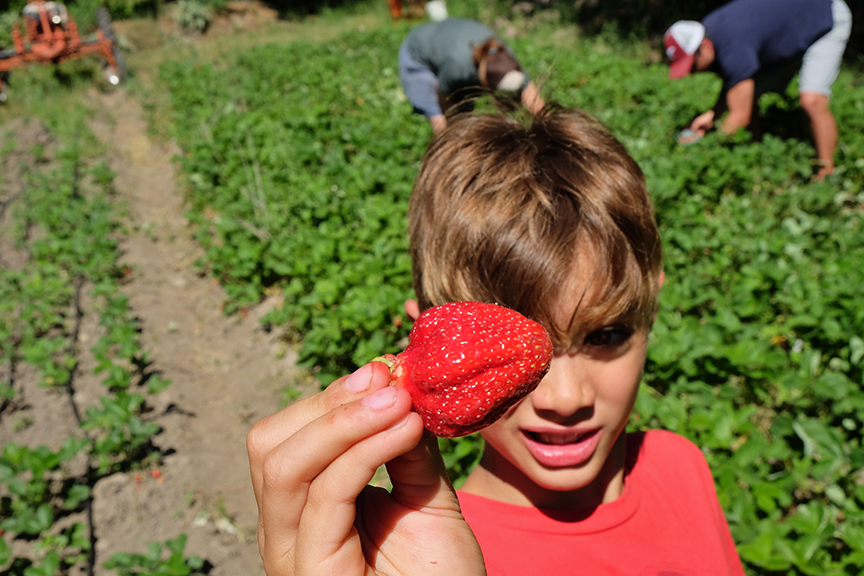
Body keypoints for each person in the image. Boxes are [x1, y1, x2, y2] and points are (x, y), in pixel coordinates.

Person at [246, 106, 746, 575]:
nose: (566, 399)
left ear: (649, 306)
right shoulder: (415, 552)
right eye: (504, 354)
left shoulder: (682, 465)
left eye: (605, 334)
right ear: (428, 336)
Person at [665, 0, 852, 180]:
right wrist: (713, 115)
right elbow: (736, 84)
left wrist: (704, 149)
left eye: (692, 65)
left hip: (825, 17)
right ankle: (755, 154)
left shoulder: (732, 45)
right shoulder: (711, 34)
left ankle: (827, 175)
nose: (692, 72)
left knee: (811, 100)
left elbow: (740, 116)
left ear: (704, 46)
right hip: (794, 30)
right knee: (750, 92)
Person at [398, 17, 545, 134]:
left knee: (465, 111)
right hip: (418, 54)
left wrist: (549, 126)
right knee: (442, 122)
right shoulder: (458, 68)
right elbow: (442, 98)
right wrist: (452, 129)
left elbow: (530, 92)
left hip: (447, 39)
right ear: (486, 84)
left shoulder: (505, 57)